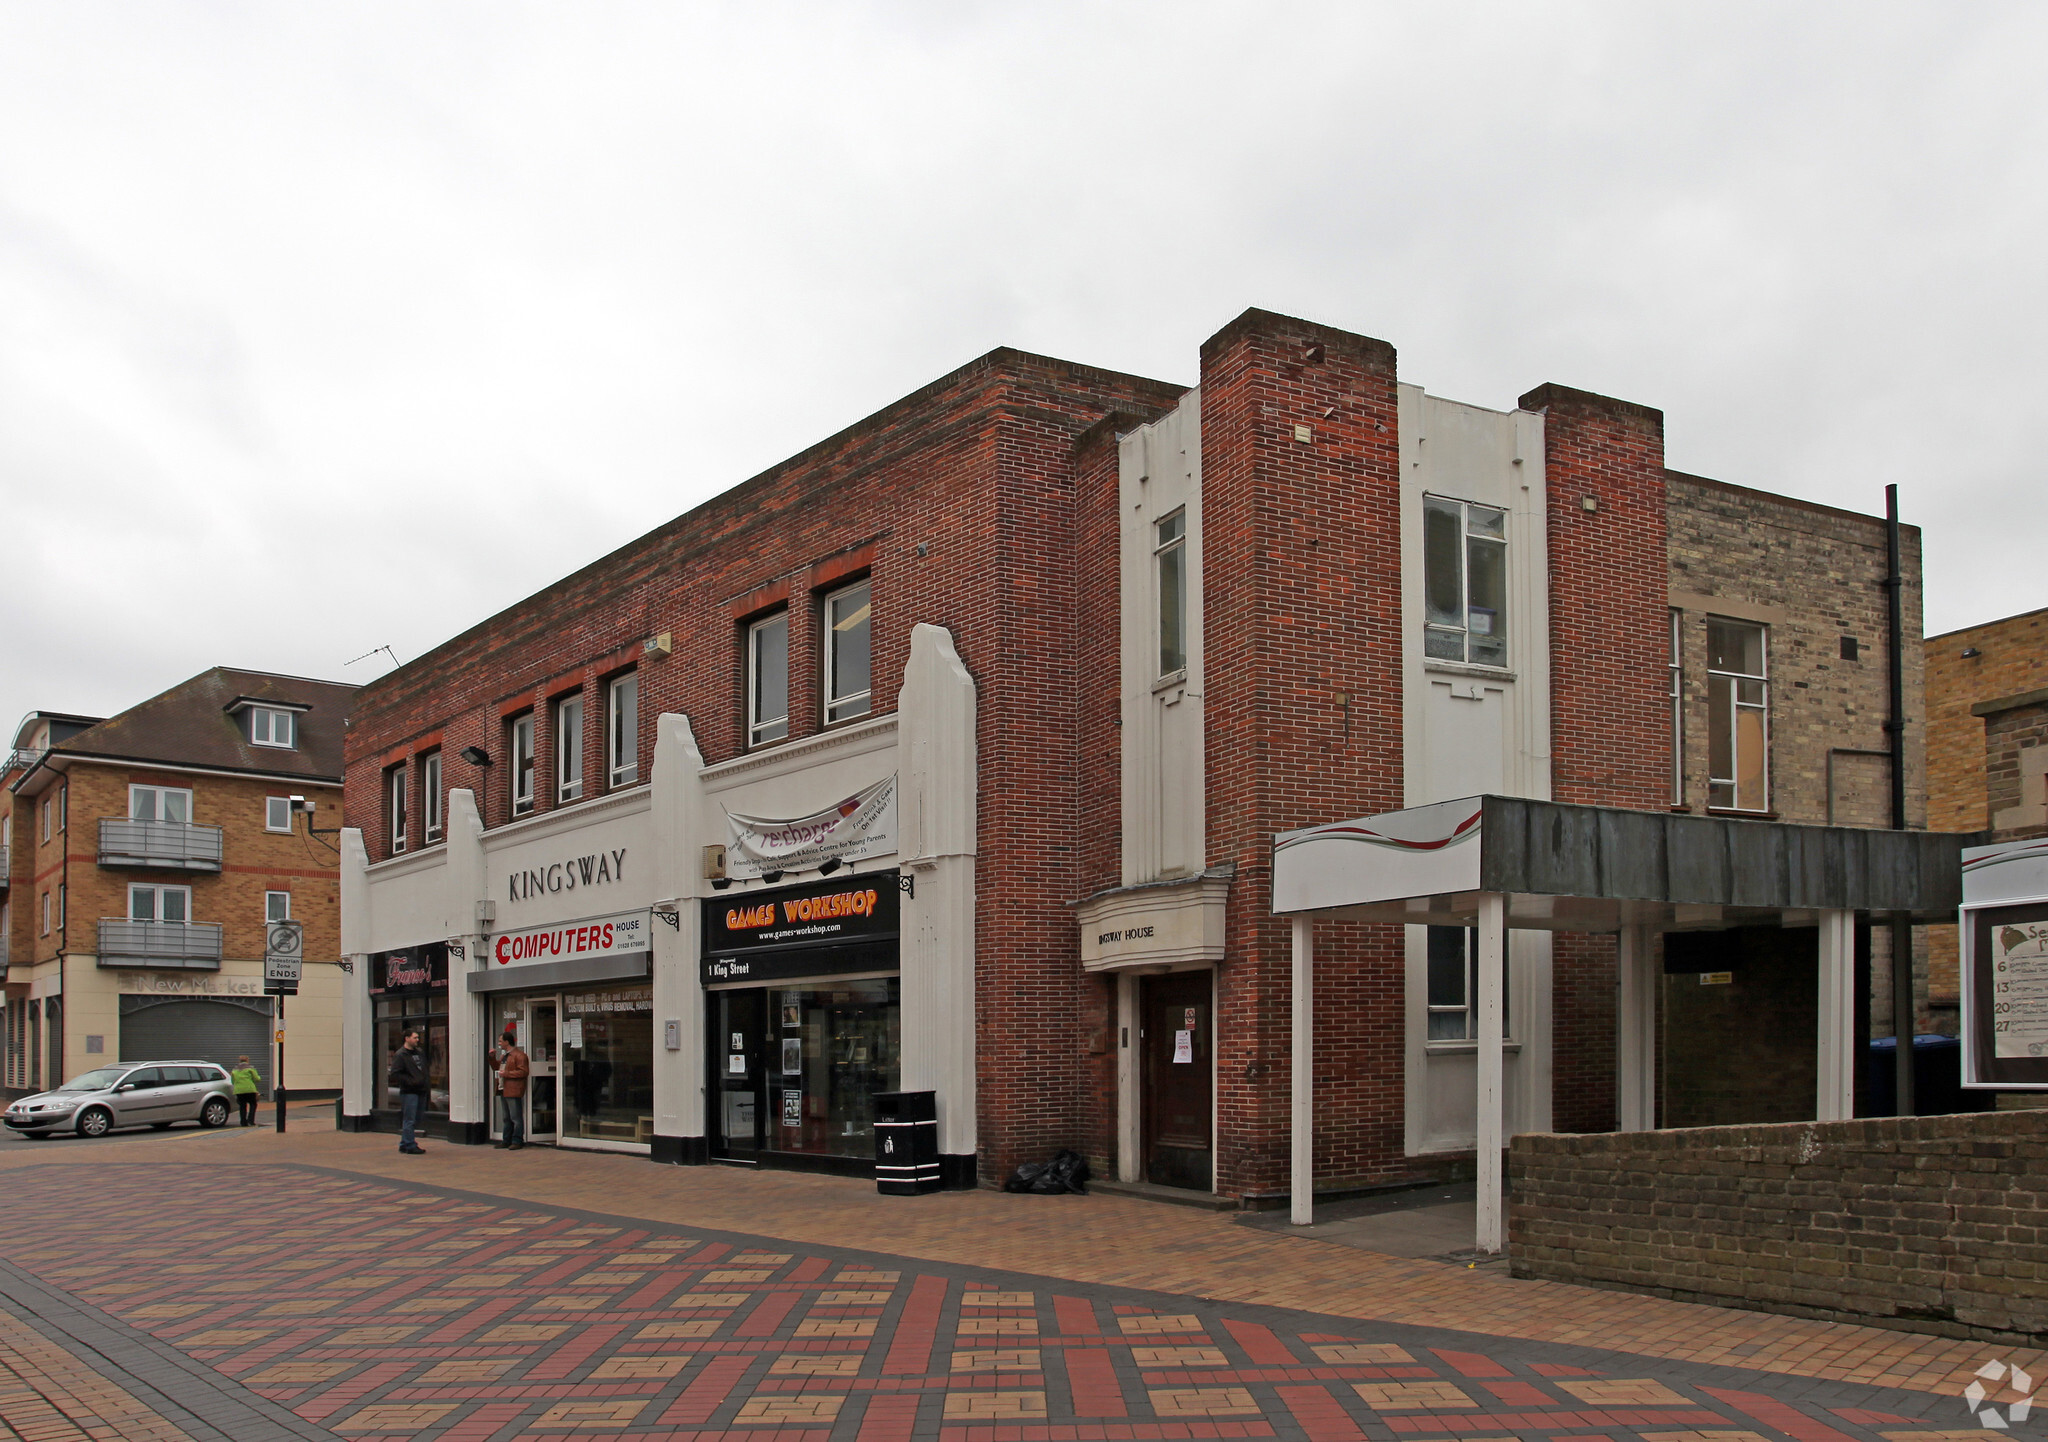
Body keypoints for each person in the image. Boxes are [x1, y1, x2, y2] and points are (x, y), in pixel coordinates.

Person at [389, 1030, 429, 1154]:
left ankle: (404, 1143)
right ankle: (410, 1144)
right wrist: (411, 1081)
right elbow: (395, 1073)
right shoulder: (401, 1055)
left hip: (421, 1090)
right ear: (407, 1038)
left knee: (417, 1118)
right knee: (409, 1119)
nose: (417, 1040)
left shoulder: (420, 1053)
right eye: (415, 1037)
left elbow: (424, 1069)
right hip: (409, 1091)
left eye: (418, 1037)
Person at [490, 1029, 530, 1150]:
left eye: (501, 1041)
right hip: (504, 1088)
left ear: (507, 1042)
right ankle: (506, 1140)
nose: (499, 1043)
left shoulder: (520, 1055)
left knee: (515, 1117)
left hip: (513, 1090)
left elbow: (523, 1072)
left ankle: (517, 1140)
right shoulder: (504, 1056)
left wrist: (506, 1074)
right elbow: (496, 1067)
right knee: (506, 1117)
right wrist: (492, 1058)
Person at [229, 1056, 262, 1127]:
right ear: (247, 1060)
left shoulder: (234, 1069)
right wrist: (258, 1078)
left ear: (239, 1061)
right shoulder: (250, 1068)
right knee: (253, 1104)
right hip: (249, 1089)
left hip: (239, 1090)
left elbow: (232, 1081)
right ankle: (250, 1120)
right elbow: (257, 1079)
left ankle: (243, 1122)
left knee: (242, 1106)